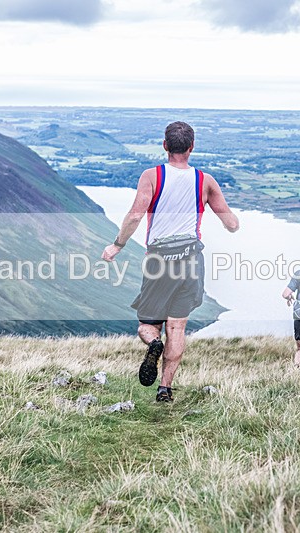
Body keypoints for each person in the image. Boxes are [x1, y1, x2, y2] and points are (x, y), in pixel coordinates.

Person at [102, 121, 239, 402]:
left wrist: (117, 245)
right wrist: (232, 224)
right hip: (191, 260)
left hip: (159, 259)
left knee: (147, 325)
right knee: (177, 326)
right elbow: (231, 223)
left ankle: (153, 344)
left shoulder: (152, 176)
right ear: (191, 148)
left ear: (165, 146)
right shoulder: (205, 181)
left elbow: (136, 216)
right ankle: (164, 389)